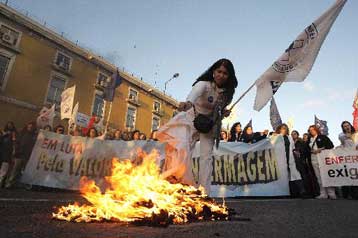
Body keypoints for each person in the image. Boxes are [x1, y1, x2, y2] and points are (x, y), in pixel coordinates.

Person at [157, 58, 238, 194]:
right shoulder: (203, 85)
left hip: (209, 124)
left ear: (229, 76)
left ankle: (204, 193)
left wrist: (223, 112)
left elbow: (218, 111)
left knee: (206, 158)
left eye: (225, 73)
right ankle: (180, 185)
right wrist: (187, 103)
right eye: (219, 71)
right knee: (182, 149)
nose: (221, 75)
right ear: (213, 72)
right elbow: (192, 97)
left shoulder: (227, 93)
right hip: (191, 119)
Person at [275, 124, 304, 198]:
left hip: (290, 158)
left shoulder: (289, 137)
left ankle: (302, 191)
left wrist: (296, 152)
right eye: (282, 128)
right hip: (280, 159)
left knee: (296, 174)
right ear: (279, 129)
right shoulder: (276, 137)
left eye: (285, 128)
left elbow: (293, 147)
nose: (284, 130)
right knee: (283, 176)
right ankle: (283, 193)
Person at [5, 122, 37, 188]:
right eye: (29, 127)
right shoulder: (22, 134)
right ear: (27, 126)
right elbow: (17, 143)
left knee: (25, 172)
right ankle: (9, 183)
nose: (30, 128)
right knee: (15, 170)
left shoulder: (35, 136)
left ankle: (23, 185)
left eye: (31, 127)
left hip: (28, 156)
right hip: (19, 155)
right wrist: (16, 151)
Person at [308, 125, 336, 199]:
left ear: (316, 130)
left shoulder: (323, 137)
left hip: (322, 158)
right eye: (310, 130)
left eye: (313, 129)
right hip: (314, 159)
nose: (312, 131)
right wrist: (310, 151)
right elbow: (306, 149)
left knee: (326, 175)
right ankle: (323, 193)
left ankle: (331, 193)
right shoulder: (309, 139)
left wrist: (321, 149)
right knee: (318, 177)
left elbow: (331, 145)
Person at [291, 130, 316, 197]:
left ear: (297, 134)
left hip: (301, 161)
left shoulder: (301, 142)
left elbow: (305, 151)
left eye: (295, 134)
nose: (293, 135)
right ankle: (299, 193)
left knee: (304, 176)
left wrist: (299, 152)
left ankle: (308, 192)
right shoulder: (291, 143)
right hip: (293, 162)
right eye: (292, 134)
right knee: (297, 177)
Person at [338, 121, 358, 199]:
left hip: (356, 158)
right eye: (344, 126)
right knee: (348, 175)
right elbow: (343, 140)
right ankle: (346, 194)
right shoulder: (341, 135)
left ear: (350, 125)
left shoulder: (356, 134)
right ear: (343, 128)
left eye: (348, 125)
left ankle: (355, 194)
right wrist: (350, 136)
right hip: (348, 158)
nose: (347, 127)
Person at [0, 122, 17, 187]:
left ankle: (1, 182)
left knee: (4, 169)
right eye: (8, 125)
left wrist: (14, 150)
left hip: (7, 154)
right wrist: (4, 135)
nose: (9, 126)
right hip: (1, 152)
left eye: (11, 125)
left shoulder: (14, 134)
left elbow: (14, 143)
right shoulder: (3, 133)